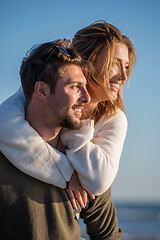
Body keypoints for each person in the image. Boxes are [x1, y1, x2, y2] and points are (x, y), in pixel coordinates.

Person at [0, 21, 136, 239]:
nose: (123, 76)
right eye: (114, 63)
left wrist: (75, 137)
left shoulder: (90, 162)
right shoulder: (26, 103)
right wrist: (66, 173)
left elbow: (107, 233)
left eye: (127, 66)